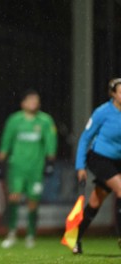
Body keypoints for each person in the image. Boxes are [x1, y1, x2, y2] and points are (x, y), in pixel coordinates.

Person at [0, 89, 57, 249]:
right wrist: (0, 164)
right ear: (23, 103)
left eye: (36, 100)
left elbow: (51, 142)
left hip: (36, 168)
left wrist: (50, 162)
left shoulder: (45, 120)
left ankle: (31, 235)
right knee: (14, 198)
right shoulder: (14, 120)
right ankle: (12, 233)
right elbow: (6, 142)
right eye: (30, 100)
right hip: (17, 166)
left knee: (33, 202)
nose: (33, 103)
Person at [73, 78, 121, 254]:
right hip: (100, 158)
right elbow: (85, 138)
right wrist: (80, 166)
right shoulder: (102, 112)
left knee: (95, 202)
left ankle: (75, 239)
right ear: (113, 95)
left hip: (118, 162)